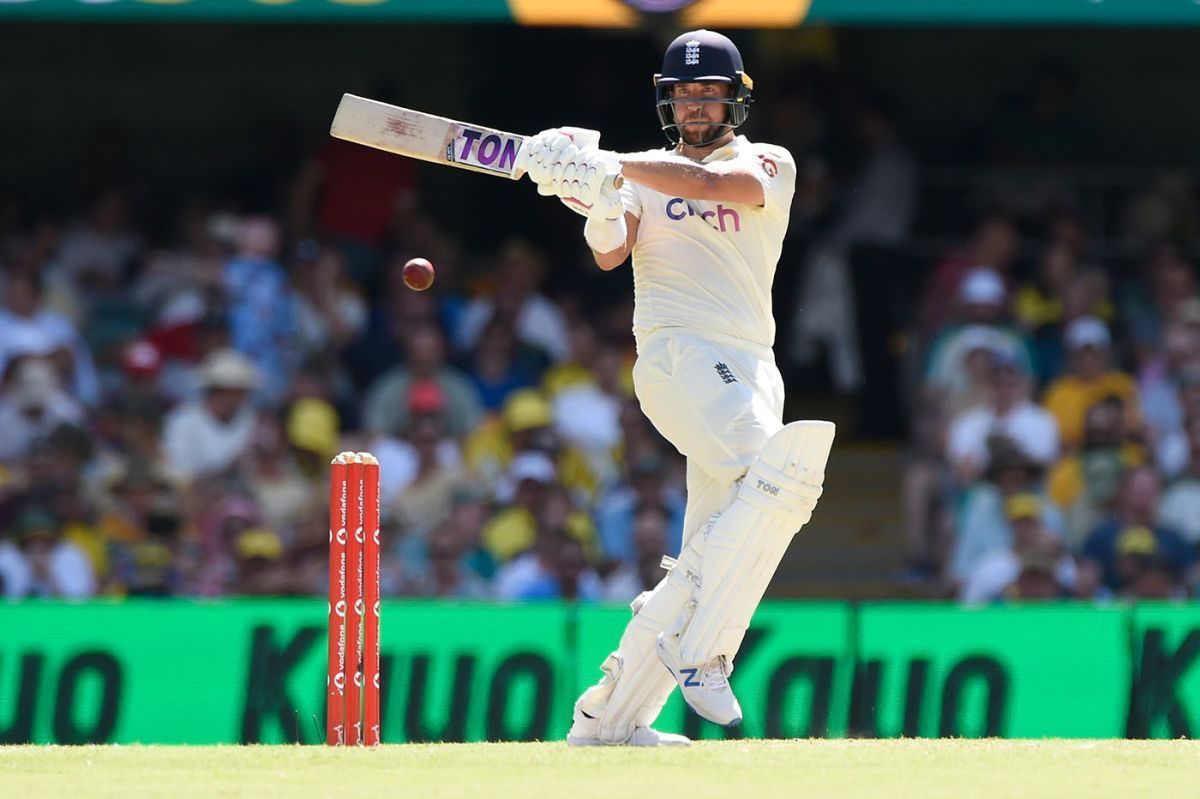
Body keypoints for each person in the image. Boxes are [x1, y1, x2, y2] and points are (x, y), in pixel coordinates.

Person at [520, 30, 834, 746]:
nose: (695, 106)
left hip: (751, 363)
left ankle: (608, 719)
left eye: (708, 93)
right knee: (778, 477)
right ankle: (701, 651)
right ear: (668, 100)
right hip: (676, 353)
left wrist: (607, 164)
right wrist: (591, 194)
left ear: (735, 98)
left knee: (710, 549)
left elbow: (712, 186)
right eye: (684, 94)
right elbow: (609, 253)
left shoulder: (765, 161)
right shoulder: (639, 173)